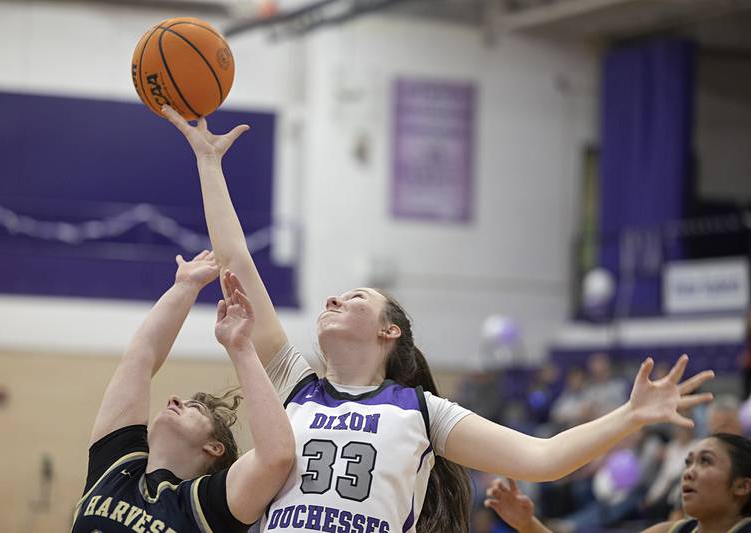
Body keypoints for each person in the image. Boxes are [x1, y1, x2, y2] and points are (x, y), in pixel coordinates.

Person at [161, 105, 716, 533]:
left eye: (354, 297)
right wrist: (209, 164)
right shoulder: (294, 385)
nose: (332, 300)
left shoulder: (424, 412)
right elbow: (237, 268)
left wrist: (630, 416)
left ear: (389, 330)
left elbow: (541, 458)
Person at [71, 251, 295, 532]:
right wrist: (185, 286)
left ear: (214, 447)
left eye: (195, 408)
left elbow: (276, 456)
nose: (174, 399)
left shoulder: (207, 505)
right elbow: (141, 356)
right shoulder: (116, 465)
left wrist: (240, 347)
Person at [484, 433, 751, 533]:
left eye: (705, 462)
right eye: (688, 462)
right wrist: (527, 524)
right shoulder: (671, 530)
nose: (689, 472)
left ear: (742, 486)